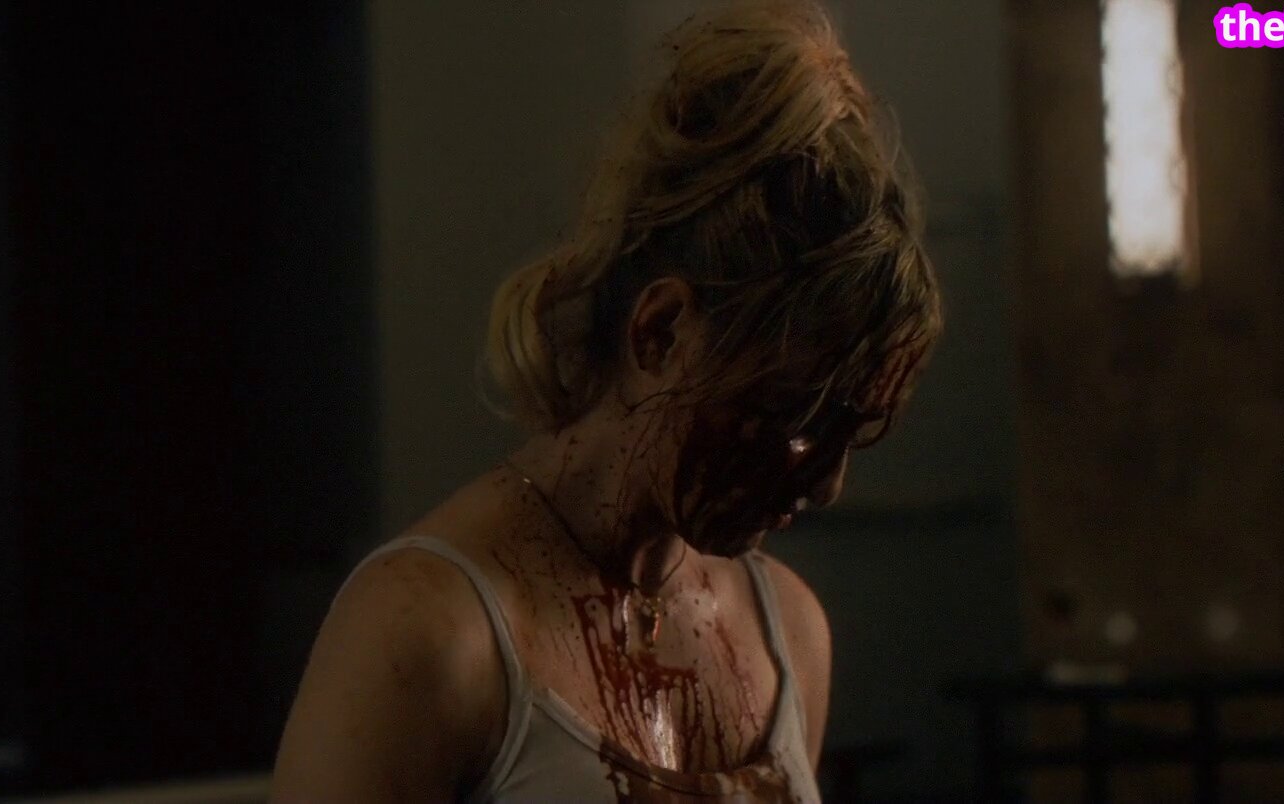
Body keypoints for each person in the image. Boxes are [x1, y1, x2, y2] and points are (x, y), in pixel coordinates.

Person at [272, 1, 940, 800]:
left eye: (848, 435)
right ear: (660, 332)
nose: (827, 482)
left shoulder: (786, 633)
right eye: (796, 417)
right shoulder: (428, 630)